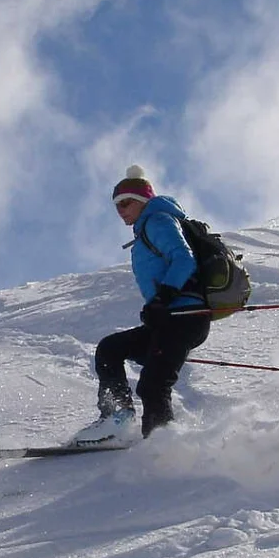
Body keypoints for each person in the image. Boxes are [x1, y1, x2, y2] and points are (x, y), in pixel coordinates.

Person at [73, 165, 212, 444]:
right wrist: (157, 307)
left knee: (153, 385)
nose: (121, 210)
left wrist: (163, 298)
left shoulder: (158, 221)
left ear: (143, 201)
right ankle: (117, 418)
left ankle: (162, 448)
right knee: (110, 349)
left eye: (126, 203)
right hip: (170, 318)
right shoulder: (147, 230)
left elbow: (183, 259)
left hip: (184, 316)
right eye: (117, 205)